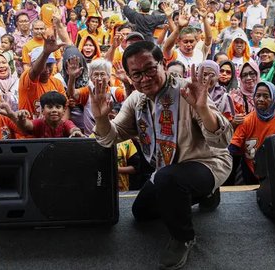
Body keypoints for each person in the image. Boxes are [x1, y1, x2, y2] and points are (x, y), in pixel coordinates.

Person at [91, 41, 232, 269]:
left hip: (207, 162)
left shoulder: (188, 89)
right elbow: (110, 138)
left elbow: (222, 140)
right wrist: (100, 118)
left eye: (149, 69)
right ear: (129, 76)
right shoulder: (137, 101)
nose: (145, 78)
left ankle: (184, 237)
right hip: (167, 172)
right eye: (137, 74)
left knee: (168, 179)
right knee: (142, 212)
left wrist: (203, 109)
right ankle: (204, 196)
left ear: (163, 63)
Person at [229, 81, 275, 184]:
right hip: (250, 170)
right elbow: (234, 146)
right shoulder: (247, 120)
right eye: (258, 95)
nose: (260, 99)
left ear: (273, 98)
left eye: (266, 96)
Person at [18, 32, 66, 120]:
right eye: (44, 65)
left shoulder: (57, 83)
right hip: (29, 132)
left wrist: (60, 128)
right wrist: (45, 53)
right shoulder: (26, 78)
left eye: (50, 65)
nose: (47, 70)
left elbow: (65, 108)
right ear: (33, 65)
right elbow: (35, 72)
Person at [5, 91, 83, 138]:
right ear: (42, 110)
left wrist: (76, 132)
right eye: (50, 107)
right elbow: (26, 125)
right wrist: (22, 119)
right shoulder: (39, 123)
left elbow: (73, 129)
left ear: (63, 111)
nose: (54, 110)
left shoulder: (66, 123)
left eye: (58, 107)